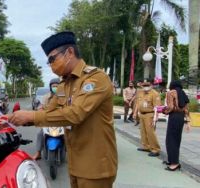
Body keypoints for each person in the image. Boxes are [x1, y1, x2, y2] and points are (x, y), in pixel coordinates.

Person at [9, 31, 117, 188]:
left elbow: (75, 114)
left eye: (52, 59)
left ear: (70, 53)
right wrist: (17, 119)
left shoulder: (95, 78)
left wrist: (31, 116)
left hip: (96, 166)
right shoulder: (64, 85)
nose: (51, 65)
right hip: (75, 163)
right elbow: (48, 110)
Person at [162, 80, 191, 171]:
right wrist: (188, 121)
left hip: (174, 116)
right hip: (181, 118)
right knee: (176, 140)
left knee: (170, 140)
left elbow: (170, 107)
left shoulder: (171, 93)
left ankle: (174, 163)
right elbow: (186, 109)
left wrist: (163, 110)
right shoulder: (183, 93)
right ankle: (173, 160)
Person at [32, 77, 60, 160]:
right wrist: (39, 110)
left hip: (61, 121)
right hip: (48, 121)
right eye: (53, 86)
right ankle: (38, 153)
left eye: (57, 86)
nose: (55, 88)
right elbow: (41, 107)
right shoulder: (46, 97)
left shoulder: (64, 96)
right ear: (50, 87)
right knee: (40, 134)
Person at [133, 79, 161, 157]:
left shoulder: (154, 94)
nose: (145, 87)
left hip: (150, 115)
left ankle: (155, 149)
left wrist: (156, 118)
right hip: (141, 114)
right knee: (143, 131)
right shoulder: (140, 93)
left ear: (151, 85)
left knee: (150, 132)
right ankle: (146, 146)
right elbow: (138, 103)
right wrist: (135, 112)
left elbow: (157, 107)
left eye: (147, 85)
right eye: (144, 85)